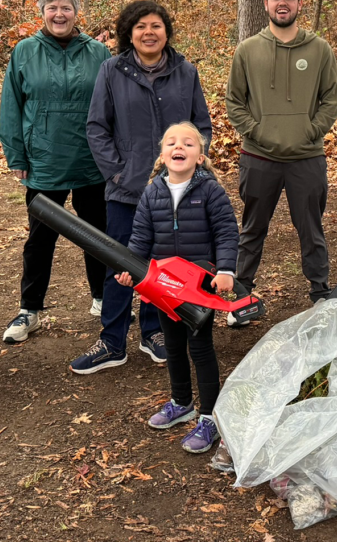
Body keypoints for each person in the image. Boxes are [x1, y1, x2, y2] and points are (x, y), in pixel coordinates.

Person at [78, 0, 212, 374]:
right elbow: (96, 128)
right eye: (140, 27)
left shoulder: (185, 72)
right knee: (120, 262)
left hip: (175, 190)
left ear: (166, 31)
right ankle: (112, 340)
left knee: (164, 263)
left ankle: (154, 332)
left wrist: (188, 166)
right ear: (129, 33)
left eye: (156, 25)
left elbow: (202, 126)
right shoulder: (111, 70)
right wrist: (118, 173)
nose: (148, 32)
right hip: (126, 189)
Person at [0, 0, 112, 344]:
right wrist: (16, 153)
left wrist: (116, 155)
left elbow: (114, 106)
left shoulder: (99, 53)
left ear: (77, 12)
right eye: (53, 7)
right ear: (42, 11)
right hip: (44, 160)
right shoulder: (25, 51)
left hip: (91, 159)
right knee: (40, 238)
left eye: (66, 8)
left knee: (98, 234)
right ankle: (29, 309)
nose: (59, 14)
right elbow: (11, 106)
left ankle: (102, 298)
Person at [115, 122, 237, 453]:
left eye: (188, 143)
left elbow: (226, 230)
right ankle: (181, 401)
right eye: (171, 142)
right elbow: (140, 237)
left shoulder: (210, 191)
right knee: (172, 345)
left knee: (200, 348)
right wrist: (130, 269)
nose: (178, 147)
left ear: (200, 157)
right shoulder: (153, 191)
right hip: (164, 287)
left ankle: (210, 416)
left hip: (199, 286)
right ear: (163, 154)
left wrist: (225, 269)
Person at [225, 0, 337, 314]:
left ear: (299, 3)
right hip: (258, 157)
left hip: (307, 157)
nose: (283, 2)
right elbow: (235, 101)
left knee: (312, 228)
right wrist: (257, 132)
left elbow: (330, 100)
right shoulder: (248, 50)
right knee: (252, 228)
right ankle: (242, 295)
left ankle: (320, 293)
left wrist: (311, 131)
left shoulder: (319, 49)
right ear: (266, 3)